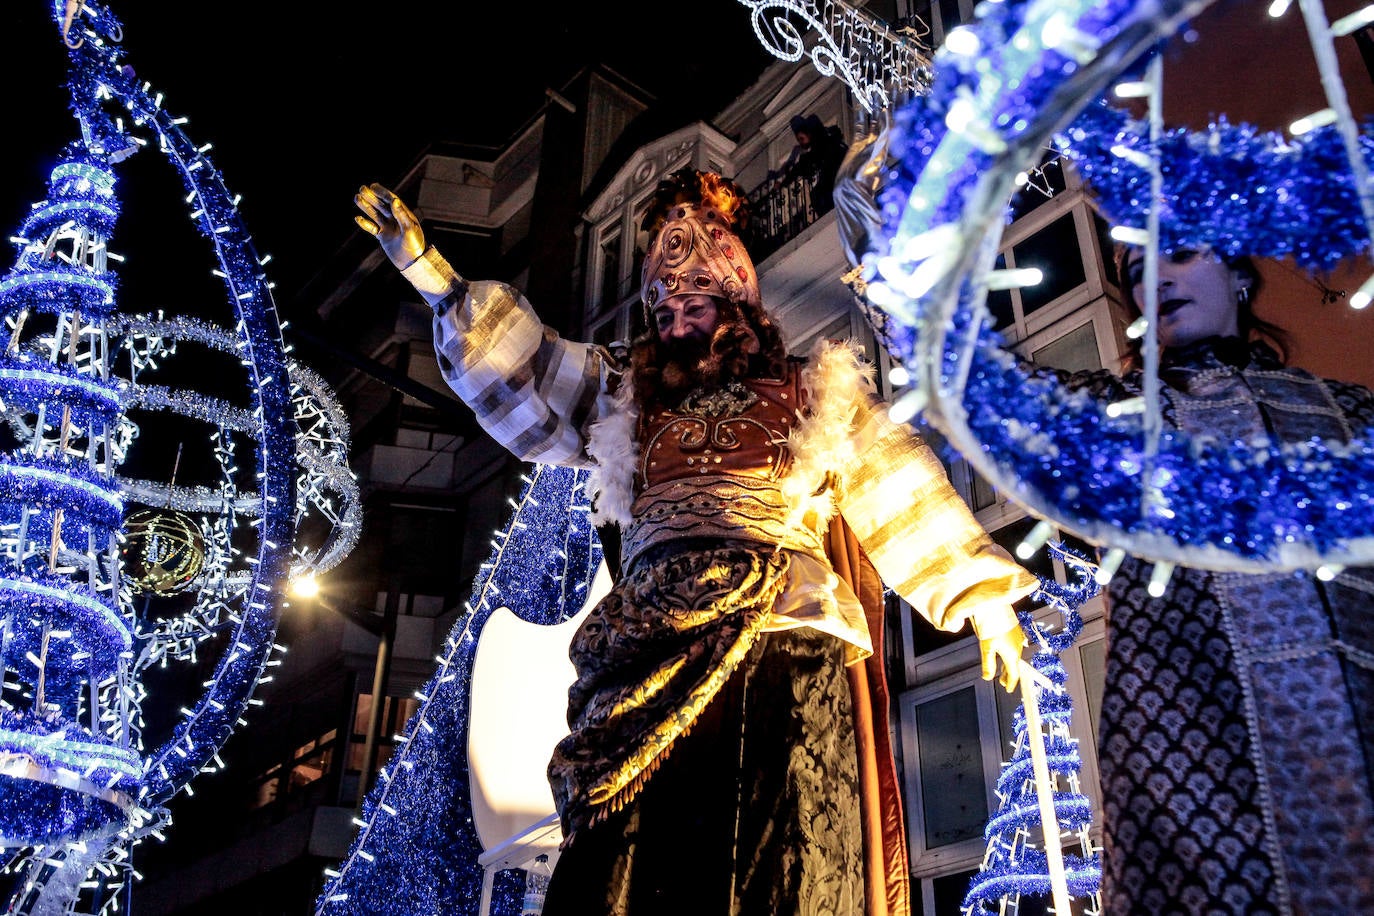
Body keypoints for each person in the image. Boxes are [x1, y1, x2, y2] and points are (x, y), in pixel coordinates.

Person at [353, 168, 1039, 915]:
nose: (676, 316)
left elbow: (890, 474)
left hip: (777, 635)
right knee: (630, 857)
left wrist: (981, 598)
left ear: (736, 304)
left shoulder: (812, 391)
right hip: (643, 645)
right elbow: (531, 372)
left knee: (780, 851)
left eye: (693, 301)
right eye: (666, 305)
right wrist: (433, 277)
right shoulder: (623, 393)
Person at [1047, 246, 1374, 913]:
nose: (1154, 278)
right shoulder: (1112, 420)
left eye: (1178, 252)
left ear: (1240, 274)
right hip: (1189, 789)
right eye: (1136, 270)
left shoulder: (1352, 416)